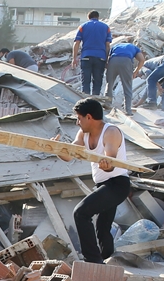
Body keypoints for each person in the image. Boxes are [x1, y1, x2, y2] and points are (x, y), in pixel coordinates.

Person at [55, 98, 130, 264]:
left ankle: (92, 261)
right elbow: (70, 155)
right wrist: (57, 149)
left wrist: (106, 165)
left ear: (89, 117)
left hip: (117, 184)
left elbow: (110, 161)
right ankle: (106, 259)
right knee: (102, 229)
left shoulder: (111, 132)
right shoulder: (83, 134)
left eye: (79, 118)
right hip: (103, 185)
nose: (77, 123)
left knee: (81, 213)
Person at [72, 11, 112, 96]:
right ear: (98, 17)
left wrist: (74, 58)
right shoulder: (106, 27)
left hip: (86, 56)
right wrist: (107, 59)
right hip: (100, 57)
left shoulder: (83, 26)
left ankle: (85, 100)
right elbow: (107, 45)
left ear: (88, 17)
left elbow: (77, 43)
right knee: (97, 81)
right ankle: (95, 100)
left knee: (85, 80)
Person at [105, 40, 146, 116]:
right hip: (126, 61)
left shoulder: (115, 46)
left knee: (109, 84)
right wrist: (135, 72)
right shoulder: (134, 47)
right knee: (127, 86)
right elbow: (142, 60)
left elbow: (107, 57)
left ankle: (107, 105)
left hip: (113, 60)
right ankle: (127, 110)